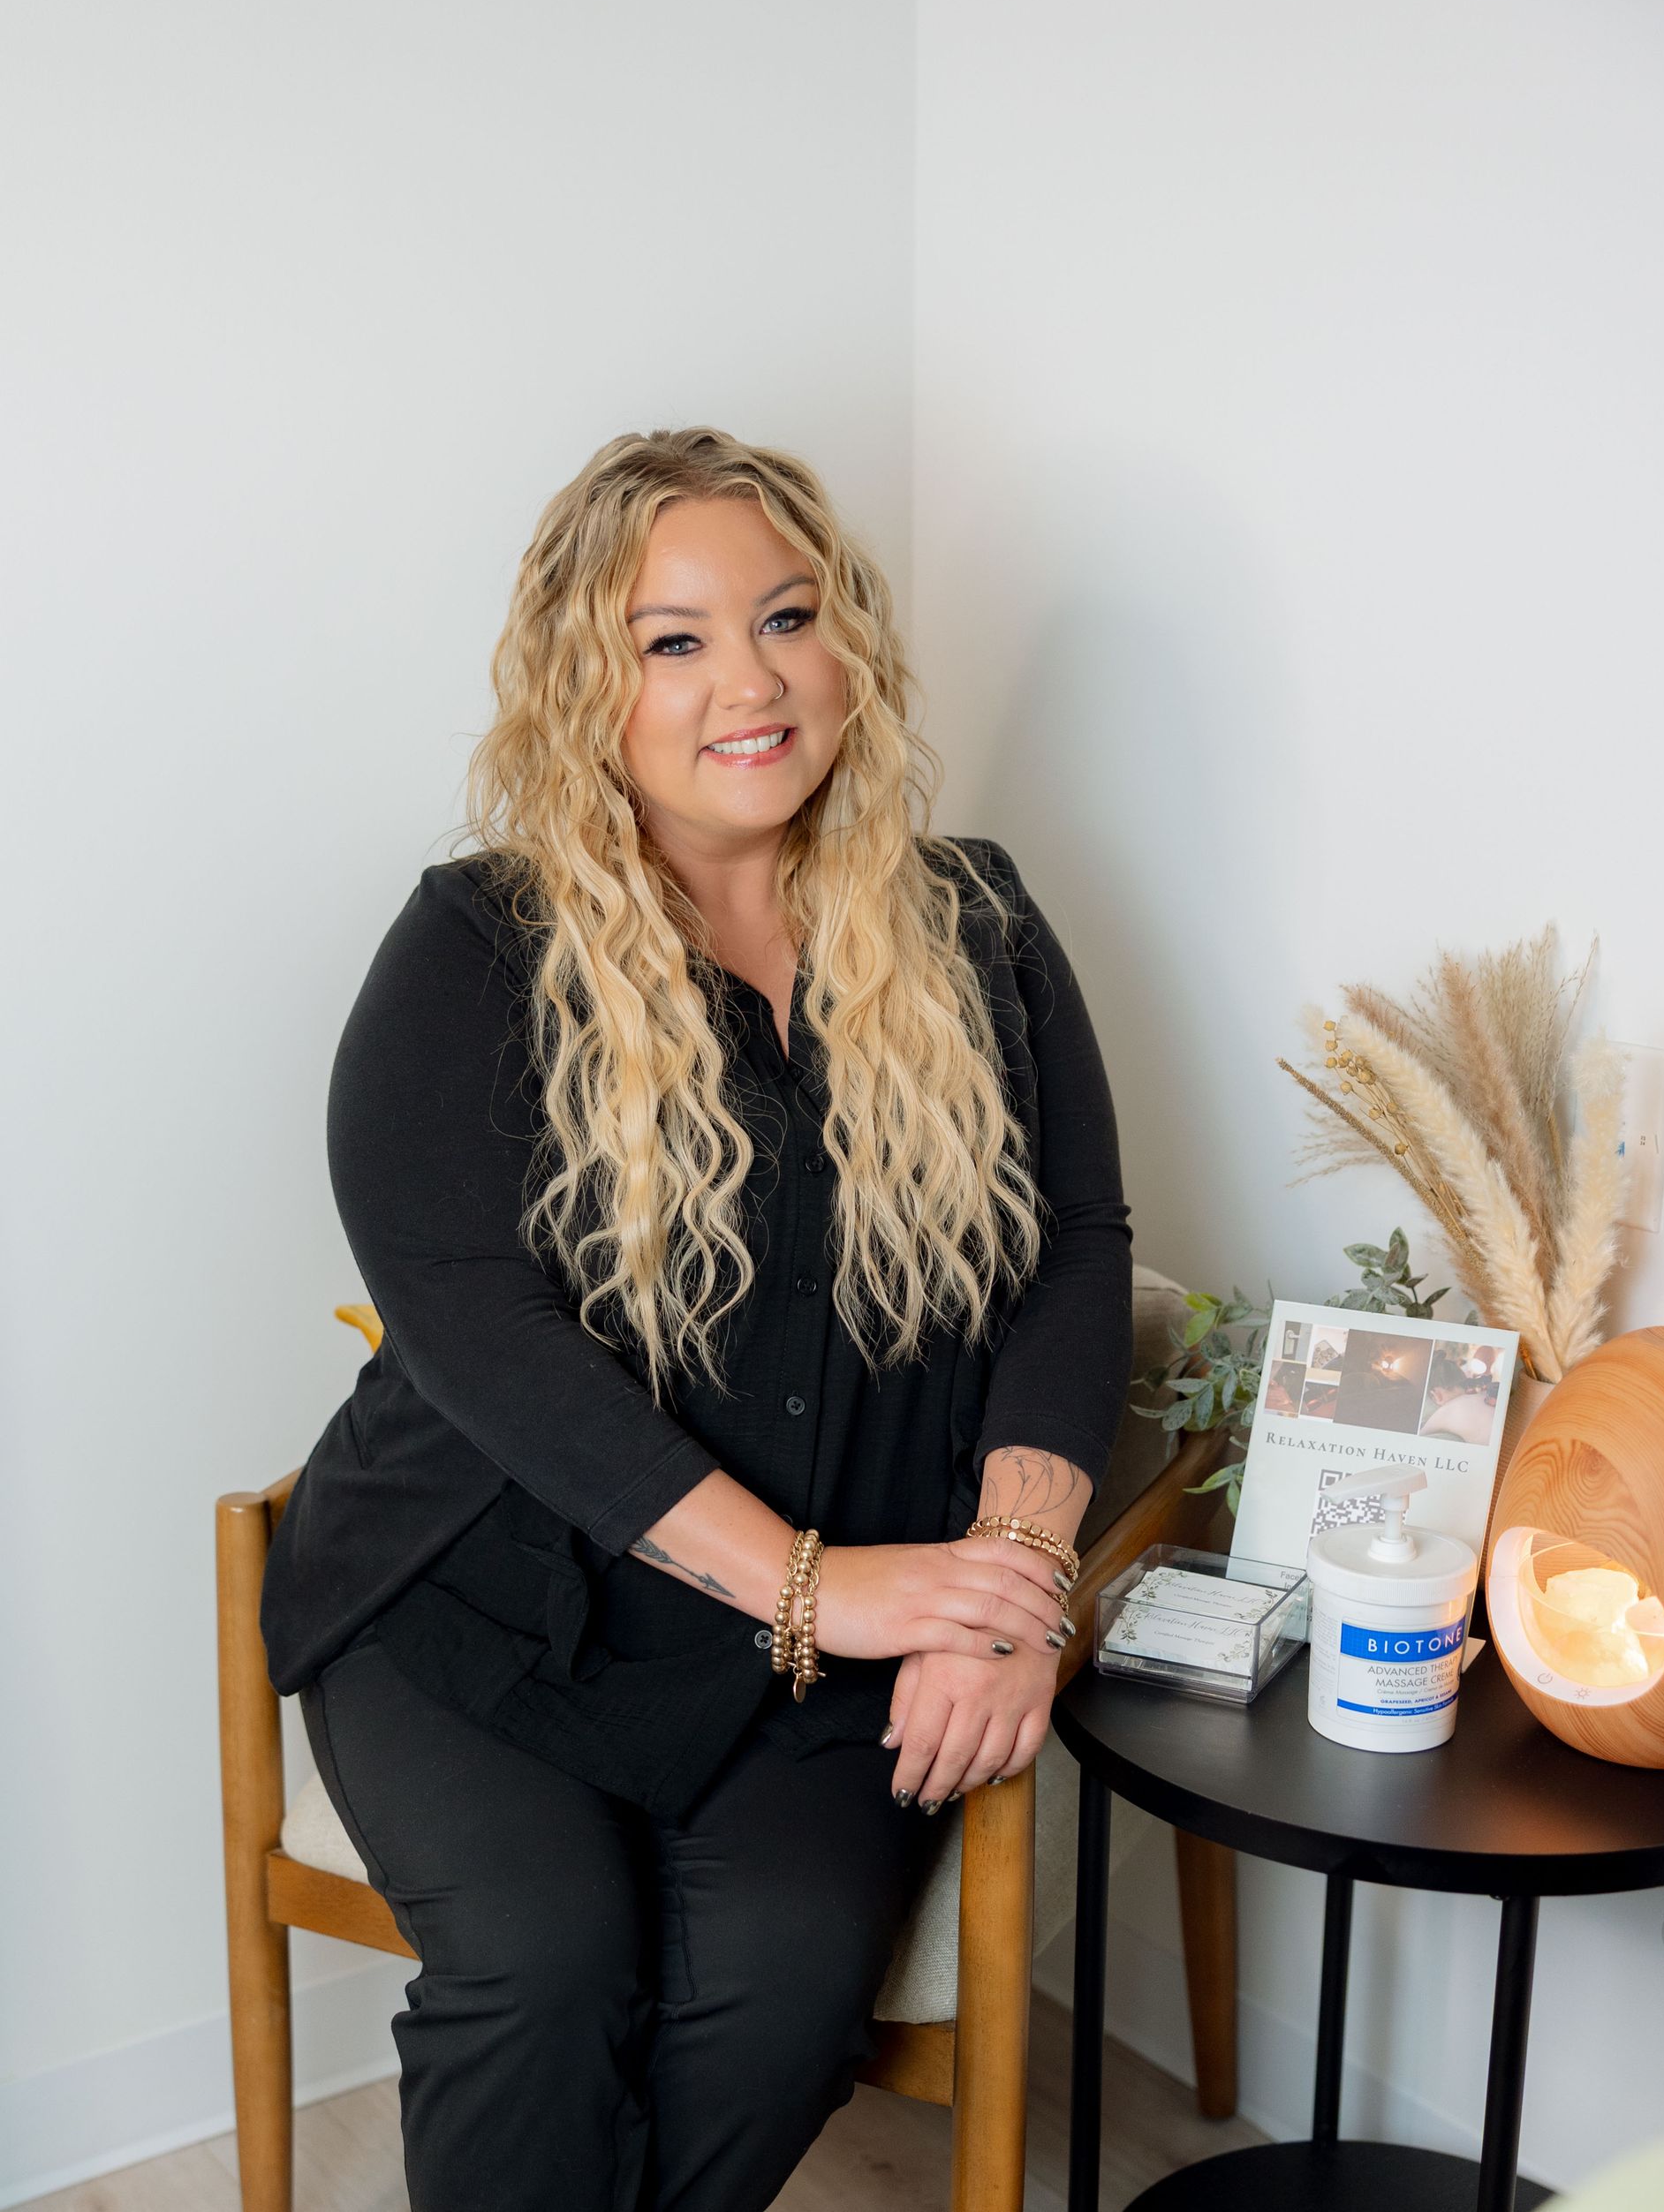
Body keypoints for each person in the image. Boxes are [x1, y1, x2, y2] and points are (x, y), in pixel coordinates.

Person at [260, 425, 1136, 2211]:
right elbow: (477, 1331)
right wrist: (830, 1582)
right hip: (484, 1593)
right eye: (674, 638)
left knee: (785, 1987)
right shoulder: (476, 950)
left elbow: (1073, 1250)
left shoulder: (979, 926)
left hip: (813, 1647)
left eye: (789, 616)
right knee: (544, 1961)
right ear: (590, 685)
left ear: (852, 648)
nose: (751, 678)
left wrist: (1009, 1578)